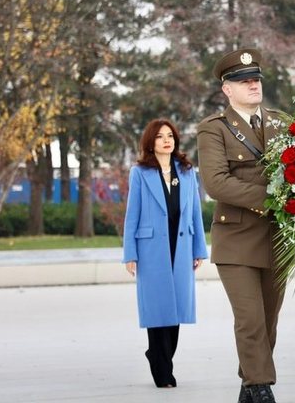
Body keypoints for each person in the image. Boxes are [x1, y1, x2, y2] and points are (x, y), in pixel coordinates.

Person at [196, 48, 287, 403]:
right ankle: (263, 391)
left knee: (268, 324)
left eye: (255, 79)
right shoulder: (213, 129)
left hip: (277, 238)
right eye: (242, 81)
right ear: (227, 89)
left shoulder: (282, 123)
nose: (252, 84)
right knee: (250, 321)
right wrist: (274, 198)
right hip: (235, 239)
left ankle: (249, 389)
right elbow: (216, 183)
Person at [122, 119, 208, 388]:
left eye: (170, 136)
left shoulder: (186, 171)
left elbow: (194, 212)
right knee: (158, 310)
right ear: (151, 142)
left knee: (176, 311)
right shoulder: (140, 173)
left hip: (181, 245)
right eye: (160, 137)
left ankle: (160, 356)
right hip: (151, 249)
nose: (166, 141)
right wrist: (130, 254)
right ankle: (163, 371)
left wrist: (198, 249)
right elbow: (131, 215)